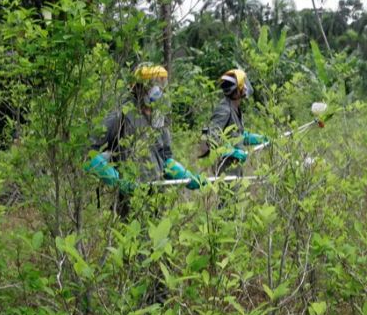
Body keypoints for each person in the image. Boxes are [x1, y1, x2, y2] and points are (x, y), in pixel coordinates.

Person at [85, 63, 202, 218]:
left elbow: (165, 158)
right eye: (154, 84)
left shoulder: (158, 117)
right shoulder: (121, 115)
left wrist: (186, 175)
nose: (158, 89)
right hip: (130, 202)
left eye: (161, 84)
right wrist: (113, 178)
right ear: (139, 87)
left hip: (156, 200)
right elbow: (88, 151)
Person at [198, 68, 267, 176]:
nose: (245, 87)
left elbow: (233, 135)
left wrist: (253, 138)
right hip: (225, 168)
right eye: (243, 85)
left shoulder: (235, 108)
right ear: (236, 92)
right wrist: (230, 151)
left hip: (235, 166)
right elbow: (210, 139)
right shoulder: (224, 110)